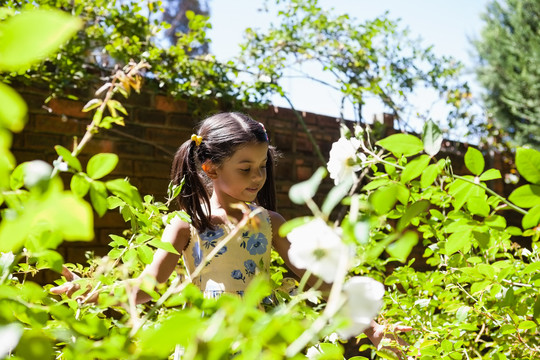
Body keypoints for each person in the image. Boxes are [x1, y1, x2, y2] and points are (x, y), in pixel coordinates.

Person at [51, 112, 410, 353]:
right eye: (245, 168)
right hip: (205, 339)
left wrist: (371, 327)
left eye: (262, 167)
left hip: (265, 336)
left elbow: (317, 280)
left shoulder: (272, 221)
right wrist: (89, 291)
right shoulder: (186, 225)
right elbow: (148, 287)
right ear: (210, 166)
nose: (257, 177)